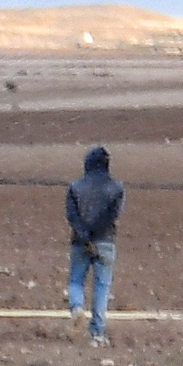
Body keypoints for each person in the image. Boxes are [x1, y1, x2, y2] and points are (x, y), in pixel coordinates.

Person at [63, 144, 123, 338]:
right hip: (105, 242)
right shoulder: (117, 188)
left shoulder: (75, 187)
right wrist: (96, 235)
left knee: (75, 281)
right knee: (101, 287)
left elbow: (72, 216)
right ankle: (96, 334)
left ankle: (76, 308)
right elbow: (112, 215)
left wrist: (85, 236)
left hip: (79, 243)